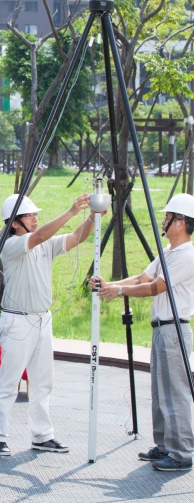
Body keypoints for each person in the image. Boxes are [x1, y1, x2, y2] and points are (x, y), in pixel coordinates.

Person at [0, 192, 101, 457]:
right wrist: (72, 210)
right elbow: (37, 237)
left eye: (36, 214)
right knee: (10, 381)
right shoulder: (12, 245)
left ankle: (42, 435)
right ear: (15, 223)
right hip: (17, 320)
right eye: (29, 215)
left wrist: (93, 217)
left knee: (42, 381)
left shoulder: (45, 243)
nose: (35, 219)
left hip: (42, 318)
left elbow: (75, 238)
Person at [90, 193, 194, 472]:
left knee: (176, 393)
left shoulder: (187, 256)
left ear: (181, 223)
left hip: (175, 329)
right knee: (161, 392)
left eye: (168, 217)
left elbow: (154, 288)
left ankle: (182, 452)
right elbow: (141, 278)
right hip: (162, 329)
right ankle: (164, 445)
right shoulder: (168, 253)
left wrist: (119, 290)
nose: (164, 220)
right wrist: (109, 284)